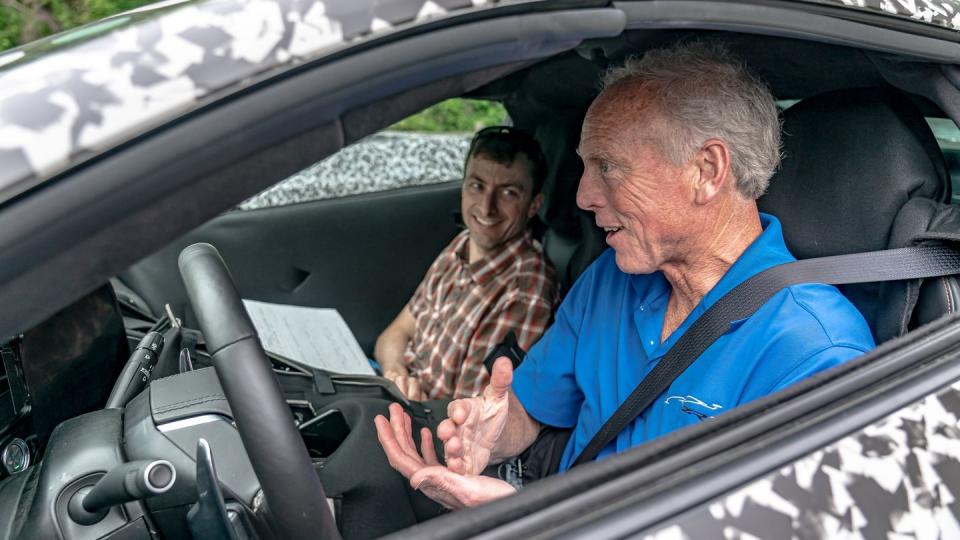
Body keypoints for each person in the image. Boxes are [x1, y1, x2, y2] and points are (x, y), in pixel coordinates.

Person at [375, 42, 876, 509]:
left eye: (609, 166)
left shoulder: (814, 354)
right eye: (585, 167)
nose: (583, 196)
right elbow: (531, 409)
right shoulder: (611, 280)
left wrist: (531, 521)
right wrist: (491, 432)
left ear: (706, 170)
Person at [374, 126, 558, 401]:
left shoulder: (525, 292)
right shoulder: (462, 244)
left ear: (533, 205)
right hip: (395, 392)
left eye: (508, 193)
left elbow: (468, 417)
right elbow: (394, 334)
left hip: (427, 425)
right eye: (477, 186)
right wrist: (396, 373)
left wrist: (406, 396)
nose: (486, 208)